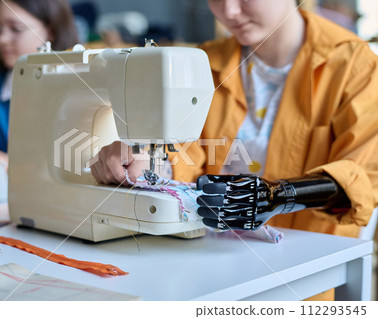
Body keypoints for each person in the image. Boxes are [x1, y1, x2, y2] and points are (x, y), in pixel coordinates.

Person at [91, 2, 377, 245]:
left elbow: (361, 179)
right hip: (210, 256)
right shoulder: (203, 61)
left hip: (305, 269)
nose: (228, 11)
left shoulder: (355, 66)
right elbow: (191, 150)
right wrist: (152, 163)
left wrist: (279, 195)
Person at [0, 0, 78, 161]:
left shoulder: (77, 88)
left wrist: (1, 160)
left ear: (51, 31)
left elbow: (72, 166)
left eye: (16, 29)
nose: (2, 39)